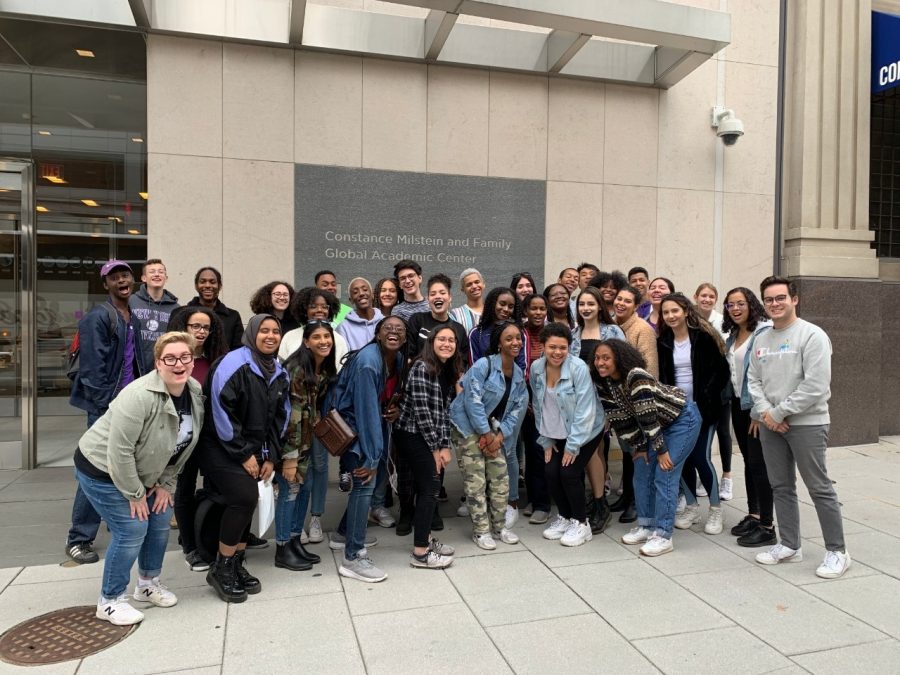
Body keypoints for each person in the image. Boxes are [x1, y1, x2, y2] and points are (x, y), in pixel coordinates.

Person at [75, 331, 204, 625]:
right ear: (158, 363)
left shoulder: (194, 391)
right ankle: (109, 600)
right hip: (101, 469)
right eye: (169, 358)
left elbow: (182, 444)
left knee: (159, 520)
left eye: (185, 356)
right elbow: (118, 452)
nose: (178, 364)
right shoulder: (138, 395)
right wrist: (135, 494)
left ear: (193, 360)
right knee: (132, 528)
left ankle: (147, 584)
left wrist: (164, 485)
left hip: (145, 471)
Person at [748, 276, 850, 579]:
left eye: (780, 298)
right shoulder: (762, 337)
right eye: (769, 299)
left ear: (794, 299)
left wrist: (779, 412)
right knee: (780, 486)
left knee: (819, 487)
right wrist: (767, 413)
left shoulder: (812, 335)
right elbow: (753, 380)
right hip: (771, 425)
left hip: (807, 423)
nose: (774, 304)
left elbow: (816, 385)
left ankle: (837, 551)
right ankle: (790, 545)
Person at [198, 315, 291, 603]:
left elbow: (280, 419)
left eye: (276, 331)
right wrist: (244, 454)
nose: (271, 336)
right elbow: (221, 413)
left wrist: (271, 457)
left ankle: (236, 563)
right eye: (264, 330)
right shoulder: (233, 363)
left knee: (248, 499)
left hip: (253, 449)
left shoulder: (279, 371)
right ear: (252, 333)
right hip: (220, 446)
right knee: (244, 496)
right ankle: (221, 567)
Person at [67, 259, 150, 565]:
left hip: (130, 406)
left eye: (125, 275)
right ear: (106, 285)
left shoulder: (133, 318)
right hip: (107, 409)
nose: (121, 281)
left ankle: (119, 524)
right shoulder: (98, 317)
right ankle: (79, 538)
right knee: (95, 469)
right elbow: (91, 371)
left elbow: (137, 362)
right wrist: (106, 409)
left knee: (125, 467)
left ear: (133, 281)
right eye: (114, 277)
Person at [592, 339, 701, 556]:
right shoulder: (604, 383)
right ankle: (647, 524)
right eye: (597, 358)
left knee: (665, 472)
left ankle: (663, 534)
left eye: (606, 358)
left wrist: (661, 451)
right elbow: (620, 419)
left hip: (681, 420)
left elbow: (648, 415)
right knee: (641, 470)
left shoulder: (636, 375)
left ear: (619, 359)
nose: (600, 363)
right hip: (654, 428)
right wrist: (639, 447)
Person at [327, 316, 410, 582]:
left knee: (366, 486)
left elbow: (386, 398)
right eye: (388, 328)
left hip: (369, 427)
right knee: (364, 485)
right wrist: (372, 455)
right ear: (377, 334)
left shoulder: (395, 359)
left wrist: (395, 408)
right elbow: (366, 412)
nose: (394, 331)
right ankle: (353, 556)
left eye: (400, 329)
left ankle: (342, 534)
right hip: (355, 431)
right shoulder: (368, 363)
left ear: (405, 338)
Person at [656, 293, 730, 535]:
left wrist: (704, 399)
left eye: (675, 311)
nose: (670, 316)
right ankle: (691, 506)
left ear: (686, 311)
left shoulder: (704, 338)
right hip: (676, 411)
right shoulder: (664, 341)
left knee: (701, 457)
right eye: (666, 312)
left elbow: (721, 372)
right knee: (681, 459)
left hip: (703, 410)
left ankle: (716, 509)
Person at [449, 322, 527, 550]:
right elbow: (471, 400)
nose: (515, 343)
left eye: (518, 338)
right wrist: (484, 433)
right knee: (476, 481)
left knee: (500, 476)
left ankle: (500, 526)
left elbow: (517, 408)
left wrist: (499, 436)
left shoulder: (519, 373)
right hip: (466, 426)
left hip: (492, 430)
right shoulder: (484, 365)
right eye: (509, 339)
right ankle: (481, 531)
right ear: (499, 343)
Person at [394, 326, 464, 568]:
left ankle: (426, 538)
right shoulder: (422, 368)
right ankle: (420, 553)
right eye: (442, 339)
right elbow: (423, 412)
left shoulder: (444, 370)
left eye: (451, 340)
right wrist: (435, 449)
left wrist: (445, 446)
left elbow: (443, 412)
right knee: (430, 486)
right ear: (431, 342)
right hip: (413, 434)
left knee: (431, 486)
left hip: (429, 435)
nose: (447, 344)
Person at [531, 323, 605, 547]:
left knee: (569, 472)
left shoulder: (578, 367)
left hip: (586, 430)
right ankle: (565, 517)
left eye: (562, 348)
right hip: (555, 430)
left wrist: (573, 445)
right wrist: (545, 439)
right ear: (543, 346)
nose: (557, 352)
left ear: (569, 348)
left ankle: (582, 524)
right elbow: (537, 403)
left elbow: (585, 409)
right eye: (552, 347)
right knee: (551, 472)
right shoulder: (536, 368)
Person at [167, 306, 228, 570]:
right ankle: (190, 546)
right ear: (184, 327)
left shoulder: (218, 357)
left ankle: (209, 539)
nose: (201, 331)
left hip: (212, 435)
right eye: (195, 326)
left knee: (217, 488)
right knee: (185, 489)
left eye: (205, 327)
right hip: (183, 433)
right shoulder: (174, 357)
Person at [274, 321, 337, 571]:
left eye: (327, 336)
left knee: (305, 486)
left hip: (306, 440)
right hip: (291, 442)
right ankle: (282, 548)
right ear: (306, 342)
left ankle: (293, 541)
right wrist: (289, 458)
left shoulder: (320, 367)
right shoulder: (298, 368)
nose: (324, 341)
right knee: (289, 491)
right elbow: (293, 414)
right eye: (317, 337)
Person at [468, 287, 529, 527]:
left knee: (509, 449)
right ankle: (488, 497)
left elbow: (522, 366)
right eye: (501, 303)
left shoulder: (519, 332)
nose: (505, 309)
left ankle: (511, 502)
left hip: (513, 397)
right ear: (492, 302)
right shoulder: (477, 332)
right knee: (485, 445)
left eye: (511, 305)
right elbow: (474, 366)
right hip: (485, 399)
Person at [722, 287, 775, 547]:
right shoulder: (732, 335)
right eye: (730, 305)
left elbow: (764, 375)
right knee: (749, 461)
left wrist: (758, 412)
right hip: (737, 406)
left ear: (751, 304)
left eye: (740, 303)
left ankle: (767, 524)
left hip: (755, 409)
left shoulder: (763, 332)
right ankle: (754, 514)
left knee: (759, 464)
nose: (735, 309)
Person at [570, 287, 624, 534]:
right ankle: (595, 498)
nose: (586, 308)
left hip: (604, 401)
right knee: (589, 450)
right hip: (579, 402)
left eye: (591, 303)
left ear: (600, 305)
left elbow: (620, 369)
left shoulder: (612, 331)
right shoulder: (574, 333)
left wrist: (614, 406)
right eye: (582, 304)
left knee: (595, 450)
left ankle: (600, 502)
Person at [609, 284, 658, 523]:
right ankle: (627, 496)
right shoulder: (612, 327)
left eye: (627, 301)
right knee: (628, 454)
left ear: (636, 306)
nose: (621, 304)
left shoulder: (642, 329)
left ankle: (639, 503)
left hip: (637, 401)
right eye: (619, 298)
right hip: (619, 402)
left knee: (640, 455)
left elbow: (649, 368)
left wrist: (640, 402)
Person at [693, 282, 734, 500]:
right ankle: (703, 475)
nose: (707, 299)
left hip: (721, 385)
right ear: (696, 297)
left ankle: (727, 476)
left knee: (723, 431)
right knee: (703, 433)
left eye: (711, 296)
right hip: (699, 386)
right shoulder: (690, 318)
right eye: (703, 295)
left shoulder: (722, 322)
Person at [520, 294, 551, 524]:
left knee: (543, 450)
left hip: (549, 396)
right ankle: (533, 497)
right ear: (526, 310)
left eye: (542, 308)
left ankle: (543, 503)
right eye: (534, 308)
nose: (538, 312)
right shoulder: (520, 332)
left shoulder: (554, 332)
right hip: (523, 395)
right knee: (531, 450)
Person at [129, 258, 180, 368]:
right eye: (152, 272)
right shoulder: (131, 301)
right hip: (134, 367)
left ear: (166, 278)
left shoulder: (176, 308)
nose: (157, 274)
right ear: (144, 278)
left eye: (161, 272)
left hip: (164, 367)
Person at [279, 287, 348, 366]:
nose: (319, 310)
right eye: (313, 306)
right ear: (304, 310)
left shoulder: (338, 340)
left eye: (324, 307)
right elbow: (281, 368)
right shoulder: (290, 336)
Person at [407, 273, 469, 356]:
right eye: (433, 294)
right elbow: (408, 355)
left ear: (450, 297)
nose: (438, 296)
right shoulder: (417, 320)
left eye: (442, 293)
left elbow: (462, 362)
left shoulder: (459, 329)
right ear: (428, 299)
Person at [186, 266, 244, 350]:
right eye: (203, 282)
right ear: (196, 286)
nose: (207, 285)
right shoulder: (181, 314)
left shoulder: (233, 316)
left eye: (212, 282)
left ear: (220, 286)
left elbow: (239, 349)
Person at [337, 277, 384, 350]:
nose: (361, 293)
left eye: (365, 289)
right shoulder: (343, 328)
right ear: (351, 300)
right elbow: (343, 358)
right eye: (355, 292)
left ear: (372, 294)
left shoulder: (385, 322)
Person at [450, 268, 485, 333]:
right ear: (463, 290)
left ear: (483, 284)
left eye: (477, 282)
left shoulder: (494, 311)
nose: (474, 286)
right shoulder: (455, 315)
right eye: (469, 284)